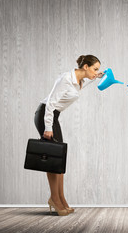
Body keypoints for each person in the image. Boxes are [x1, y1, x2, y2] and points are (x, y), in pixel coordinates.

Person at [34, 55, 104, 216]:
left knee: (59, 159)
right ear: (85, 66)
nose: (96, 72)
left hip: (53, 117)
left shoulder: (78, 82)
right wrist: (48, 127)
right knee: (53, 159)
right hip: (46, 114)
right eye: (95, 69)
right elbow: (51, 103)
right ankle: (55, 199)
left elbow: (77, 88)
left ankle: (61, 198)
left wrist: (96, 78)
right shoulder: (66, 78)